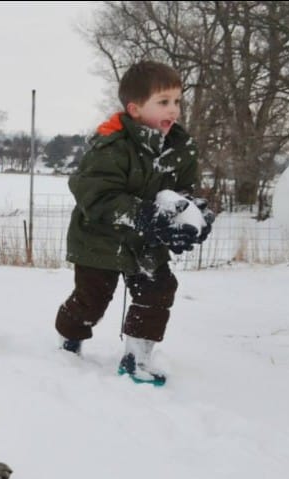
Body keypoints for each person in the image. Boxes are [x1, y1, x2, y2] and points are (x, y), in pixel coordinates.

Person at [54, 60, 215, 385]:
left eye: (177, 101)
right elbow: (95, 195)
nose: (174, 110)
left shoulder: (181, 148)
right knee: (92, 300)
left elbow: (182, 191)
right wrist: (144, 214)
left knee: (158, 291)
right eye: (164, 102)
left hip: (146, 241)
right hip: (99, 239)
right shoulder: (111, 147)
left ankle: (137, 356)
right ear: (136, 108)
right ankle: (68, 339)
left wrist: (194, 216)